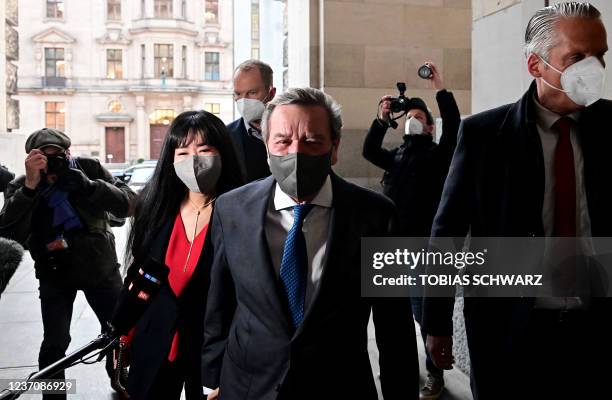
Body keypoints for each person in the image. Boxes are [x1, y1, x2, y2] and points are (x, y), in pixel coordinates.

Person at [422, 3, 612, 399]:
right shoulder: (484, 137)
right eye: (577, 57)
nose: (593, 69)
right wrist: (435, 321)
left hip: (597, 332)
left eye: (600, 56)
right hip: (509, 331)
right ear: (535, 65)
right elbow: (448, 233)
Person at [202, 88, 418, 400]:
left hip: (340, 387)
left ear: (334, 147)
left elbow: (393, 326)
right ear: (266, 147)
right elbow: (219, 306)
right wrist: (211, 379)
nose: (295, 152)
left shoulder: (377, 216)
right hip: (248, 386)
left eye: (312, 141)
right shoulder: (231, 209)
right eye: (283, 141)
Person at [111, 110, 243, 400]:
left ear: (223, 153)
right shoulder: (155, 208)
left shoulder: (243, 211)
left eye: (205, 150)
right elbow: (141, 276)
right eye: (182, 152)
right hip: (155, 341)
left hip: (212, 352)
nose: (193, 160)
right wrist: (125, 333)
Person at [0, 127, 135, 399]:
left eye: (58, 155)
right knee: (55, 343)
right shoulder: (25, 184)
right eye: (44, 156)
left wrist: (89, 186)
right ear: (32, 158)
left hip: (101, 268)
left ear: (68, 153)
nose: (53, 163)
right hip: (54, 272)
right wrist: (29, 188)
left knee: (118, 332)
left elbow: (129, 204)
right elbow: (8, 231)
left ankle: (120, 379)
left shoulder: (87, 169)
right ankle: (53, 395)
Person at [363, 62, 460, 399]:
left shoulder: (438, 155)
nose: (413, 121)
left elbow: (455, 127)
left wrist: (440, 88)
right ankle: (398, 368)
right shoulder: (397, 156)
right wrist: (380, 120)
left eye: (420, 119)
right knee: (392, 317)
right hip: (392, 247)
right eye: (409, 119)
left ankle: (436, 374)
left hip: (423, 248)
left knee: (425, 315)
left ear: (431, 128)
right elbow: (368, 151)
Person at [227, 59, 276, 182]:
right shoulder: (225, 136)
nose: (243, 101)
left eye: (252, 93)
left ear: (271, 93)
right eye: (238, 94)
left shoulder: (291, 131)